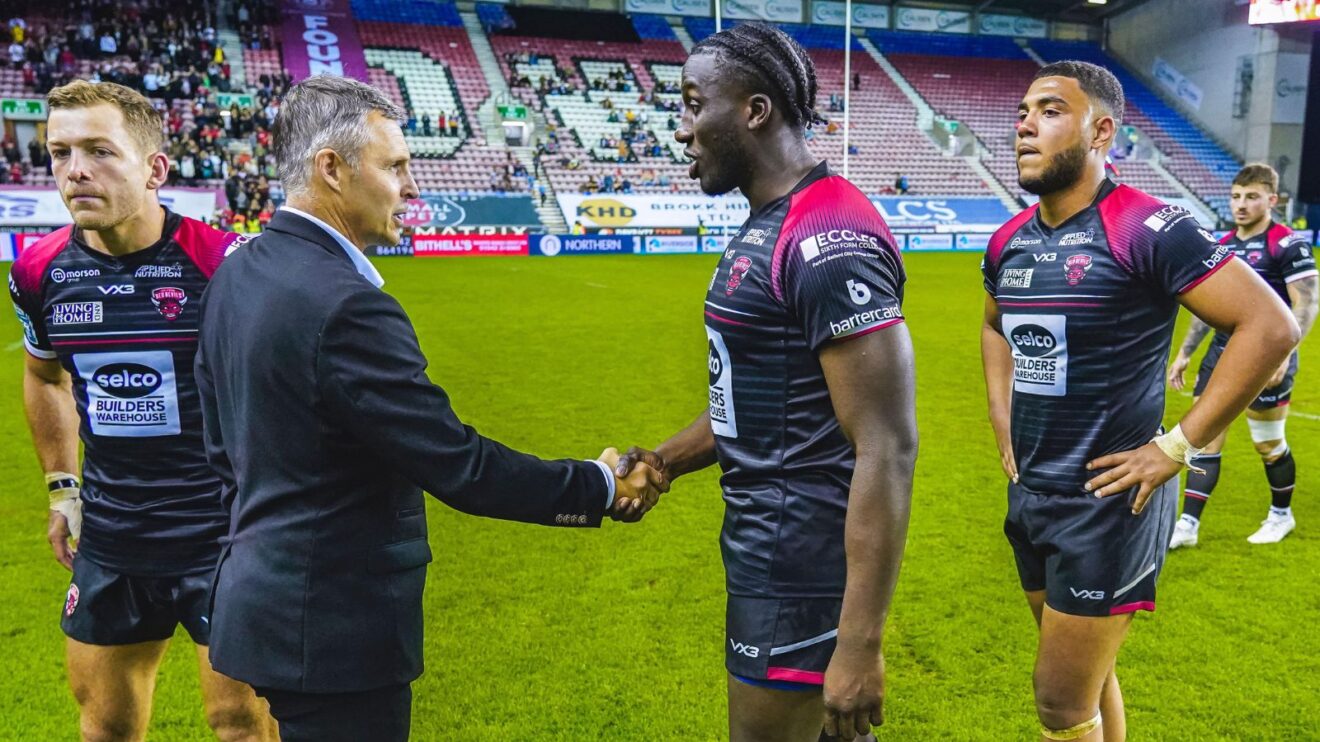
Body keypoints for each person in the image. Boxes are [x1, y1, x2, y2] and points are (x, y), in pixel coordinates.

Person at [194, 75, 664, 742]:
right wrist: (598, 484)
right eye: (394, 167)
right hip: (337, 634)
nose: (411, 187)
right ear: (331, 168)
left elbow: (219, 449)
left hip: (261, 607)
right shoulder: (348, 305)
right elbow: (460, 466)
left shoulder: (236, 274)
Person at [981, 61, 1297, 742]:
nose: (1026, 125)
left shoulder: (1148, 228)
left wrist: (1174, 446)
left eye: (1050, 110)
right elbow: (991, 322)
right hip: (1031, 493)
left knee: (1059, 703)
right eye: (1021, 113)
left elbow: (1270, 326)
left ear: (1101, 132)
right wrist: (1000, 410)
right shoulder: (1009, 240)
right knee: (1087, 684)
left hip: (1109, 506)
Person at [617, 23, 915, 742]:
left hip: (799, 569)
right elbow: (755, 404)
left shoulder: (827, 239)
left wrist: (859, 642)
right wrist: (665, 460)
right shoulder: (768, 225)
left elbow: (887, 446)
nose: (682, 130)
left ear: (754, 111)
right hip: (769, 553)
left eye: (693, 104)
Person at [8, 80, 274, 742]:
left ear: (155, 168)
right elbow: (44, 377)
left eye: (100, 151)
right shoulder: (38, 272)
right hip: (114, 534)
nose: (75, 170)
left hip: (227, 534)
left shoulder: (226, 266)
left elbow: (293, 394)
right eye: (60, 151)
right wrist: (62, 487)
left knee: (240, 723)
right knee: (105, 727)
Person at [1167, 163, 1317, 547]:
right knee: (1202, 440)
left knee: (1267, 443)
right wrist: (1185, 352)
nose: (1241, 204)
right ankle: (1187, 525)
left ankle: (1280, 515)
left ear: (1271, 199)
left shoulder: (1286, 243)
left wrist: (1284, 355)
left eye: (1251, 197)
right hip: (1221, 352)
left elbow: (1307, 302)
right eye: (1236, 196)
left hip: (1266, 355)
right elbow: (1209, 306)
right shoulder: (1220, 245)